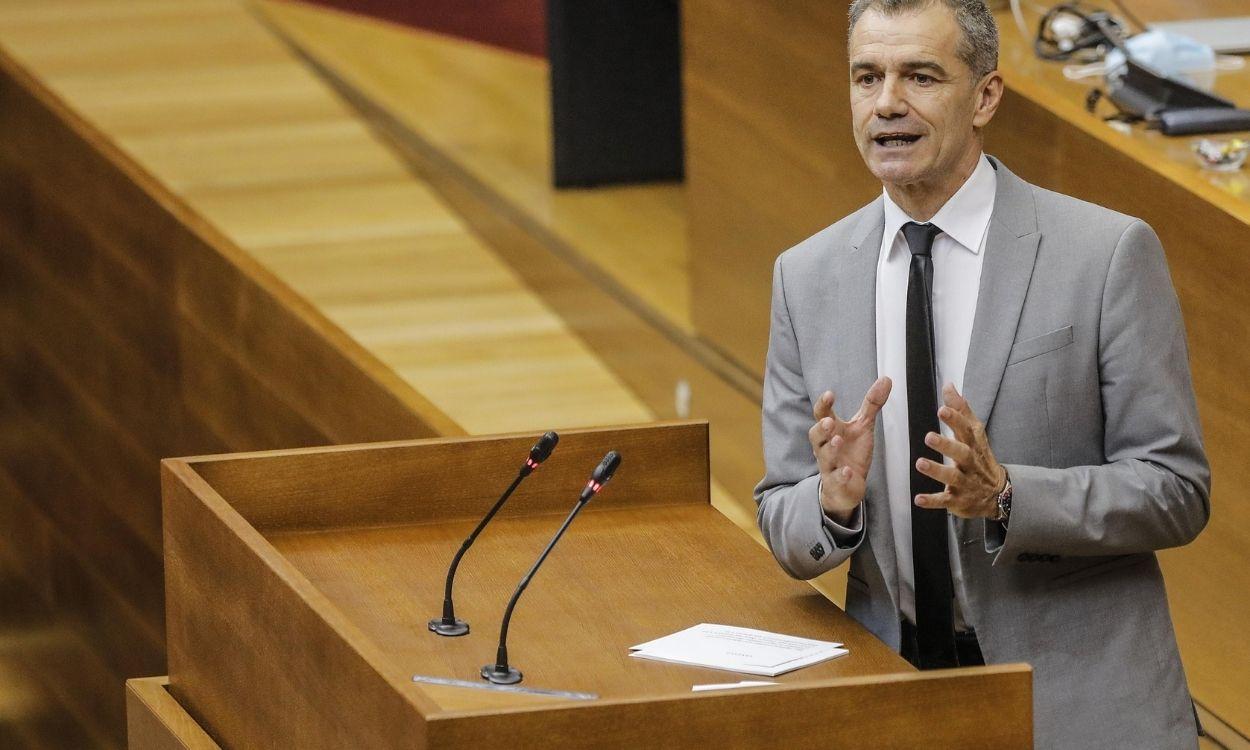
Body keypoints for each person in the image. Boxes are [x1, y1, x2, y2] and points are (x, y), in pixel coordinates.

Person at [754, 0, 1211, 747]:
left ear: (987, 96)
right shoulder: (805, 277)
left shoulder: (1105, 256)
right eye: (866, 77)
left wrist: (1007, 497)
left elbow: (1177, 490)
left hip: (1076, 701)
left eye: (920, 76)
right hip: (889, 697)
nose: (887, 103)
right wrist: (833, 504)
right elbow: (780, 510)